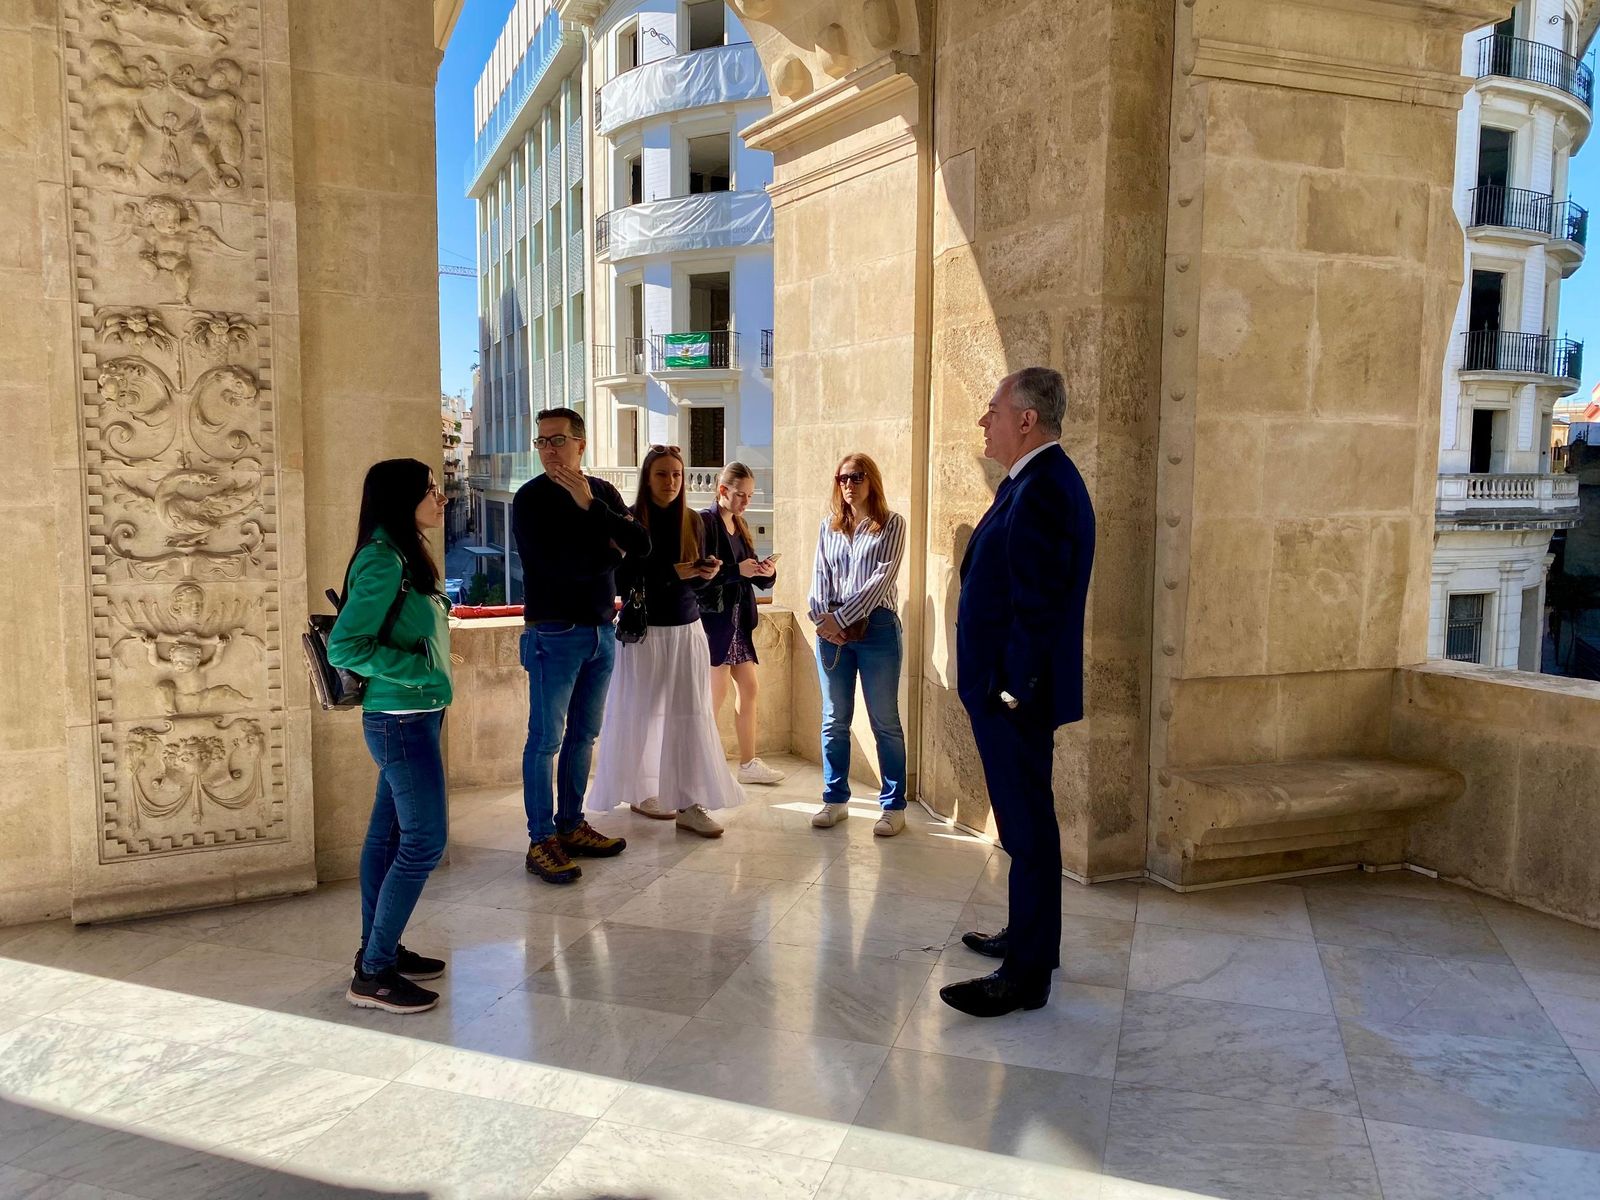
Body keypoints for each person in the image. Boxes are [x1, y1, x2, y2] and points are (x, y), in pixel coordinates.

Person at [943, 367, 1095, 1019]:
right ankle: (1031, 938)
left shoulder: (1044, 489)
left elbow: (1039, 607)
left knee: (1030, 831)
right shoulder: (1032, 483)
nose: (985, 420)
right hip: (1009, 692)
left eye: (993, 410)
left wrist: (1010, 692)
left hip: (1015, 698)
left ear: (1026, 419)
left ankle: (1026, 976)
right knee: (1023, 828)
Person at [327, 459, 454, 1015]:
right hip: (400, 719)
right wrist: (419, 672)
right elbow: (345, 646)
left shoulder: (400, 553)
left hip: (413, 716)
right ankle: (373, 972)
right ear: (402, 498)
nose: (440, 497)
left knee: (386, 838)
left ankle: (382, 951)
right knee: (424, 841)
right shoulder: (383, 559)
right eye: (430, 489)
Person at [512, 407, 651, 885]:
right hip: (553, 633)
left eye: (557, 440)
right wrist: (608, 553)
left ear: (581, 444)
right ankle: (540, 839)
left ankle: (570, 826)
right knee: (545, 740)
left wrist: (593, 508)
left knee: (583, 736)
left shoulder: (604, 494)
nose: (549, 449)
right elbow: (556, 567)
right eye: (542, 441)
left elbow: (642, 545)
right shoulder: (528, 500)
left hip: (600, 632)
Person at [588, 445, 745, 836]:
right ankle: (642, 794)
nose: (671, 481)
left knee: (690, 715)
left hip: (688, 630)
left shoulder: (695, 521)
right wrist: (677, 572)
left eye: (676, 474)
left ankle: (689, 803)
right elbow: (621, 582)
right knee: (639, 713)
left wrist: (708, 573)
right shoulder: (630, 520)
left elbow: (702, 585)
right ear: (647, 477)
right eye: (662, 474)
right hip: (643, 634)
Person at [806, 453, 909, 836]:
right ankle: (834, 800)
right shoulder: (828, 527)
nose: (848, 484)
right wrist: (821, 619)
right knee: (834, 720)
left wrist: (841, 620)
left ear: (872, 481)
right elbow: (818, 573)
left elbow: (879, 582)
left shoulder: (891, 525)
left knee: (885, 721)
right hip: (831, 632)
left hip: (876, 629)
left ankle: (894, 806)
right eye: (842, 478)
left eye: (857, 477)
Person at [699, 463, 785, 787]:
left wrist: (766, 572)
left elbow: (752, 575)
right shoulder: (705, 523)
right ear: (722, 490)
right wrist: (738, 570)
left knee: (749, 688)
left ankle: (748, 764)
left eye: (749, 496)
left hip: (738, 621)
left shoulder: (741, 524)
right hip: (715, 622)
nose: (746, 502)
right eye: (740, 495)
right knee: (714, 696)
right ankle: (703, 765)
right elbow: (700, 576)